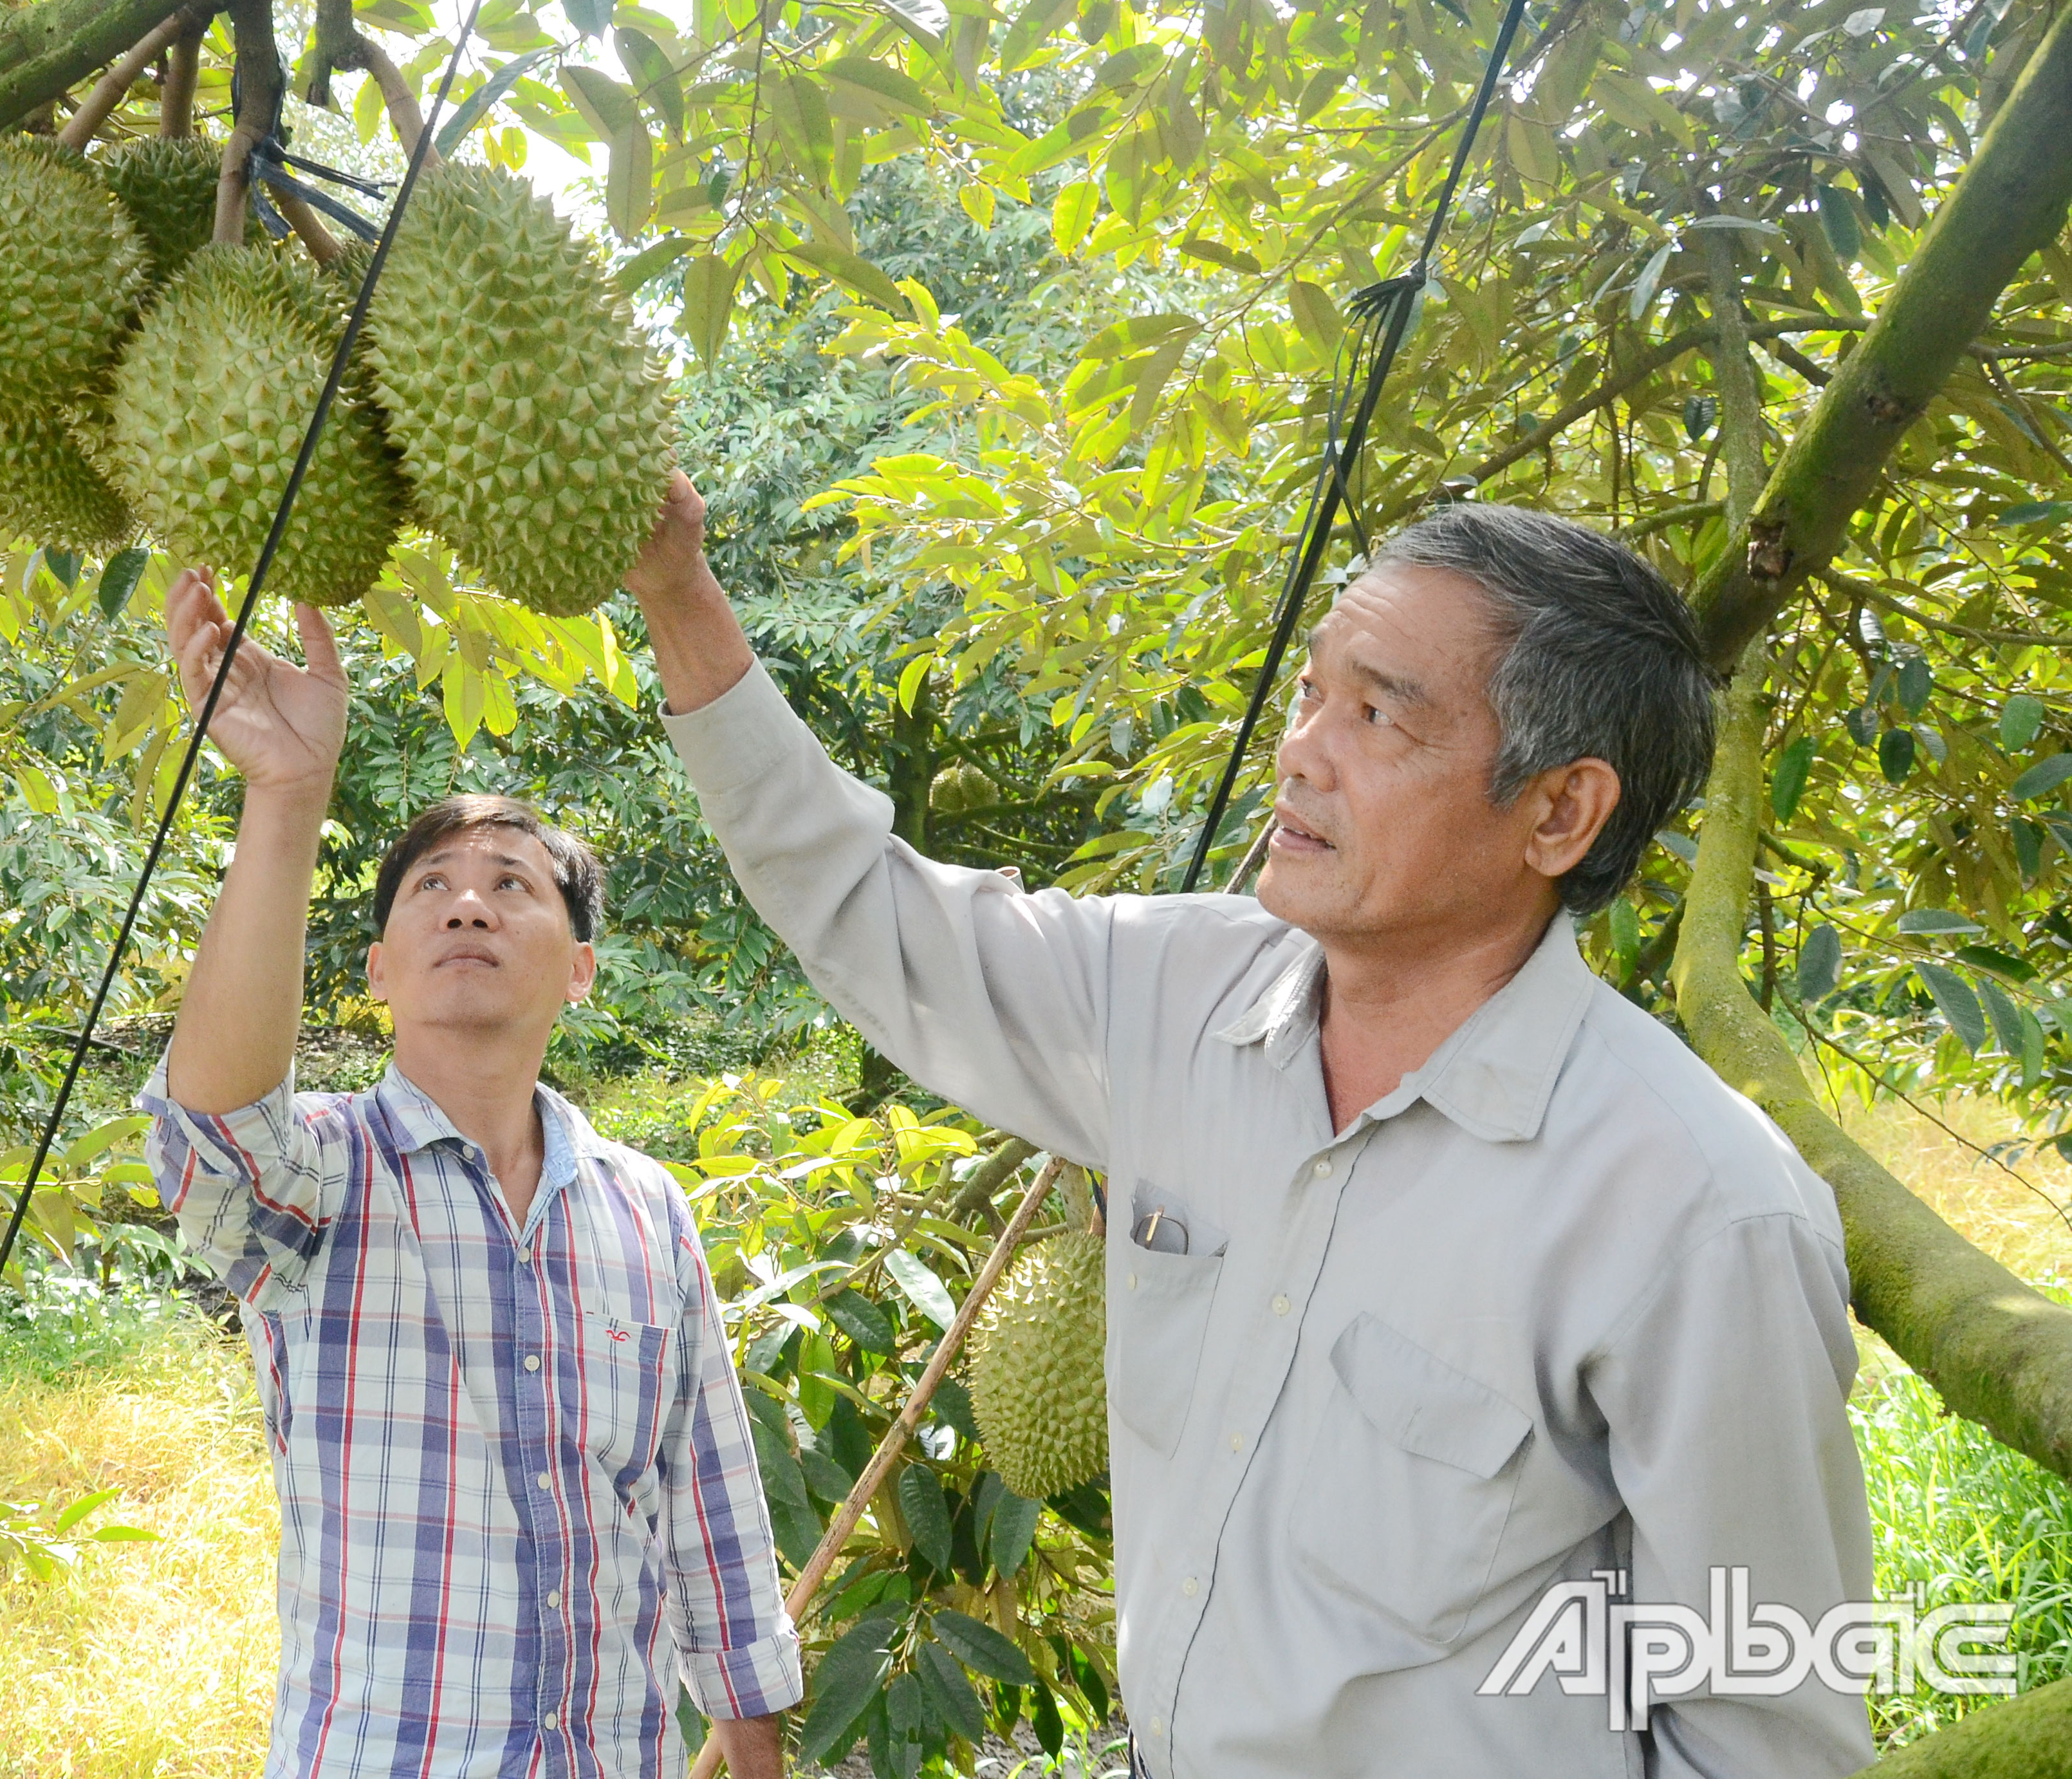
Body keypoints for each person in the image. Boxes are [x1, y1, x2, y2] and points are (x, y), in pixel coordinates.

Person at [622, 481, 1875, 1777]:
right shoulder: (1174, 995)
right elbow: (864, 909)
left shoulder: (1698, 1211)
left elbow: (1763, 1737)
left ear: (1559, 811)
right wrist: (678, 589)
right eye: (1310, 693)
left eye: (1379, 713)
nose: (1302, 750)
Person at [140, 566, 803, 1779]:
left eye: (514, 888)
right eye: (430, 891)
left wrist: (751, 1740)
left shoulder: (645, 1209)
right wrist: (287, 795)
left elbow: (708, 1495)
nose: (469, 908)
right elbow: (213, 1136)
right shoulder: (324, 1175)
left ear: (581, 972)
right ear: (383, 970)